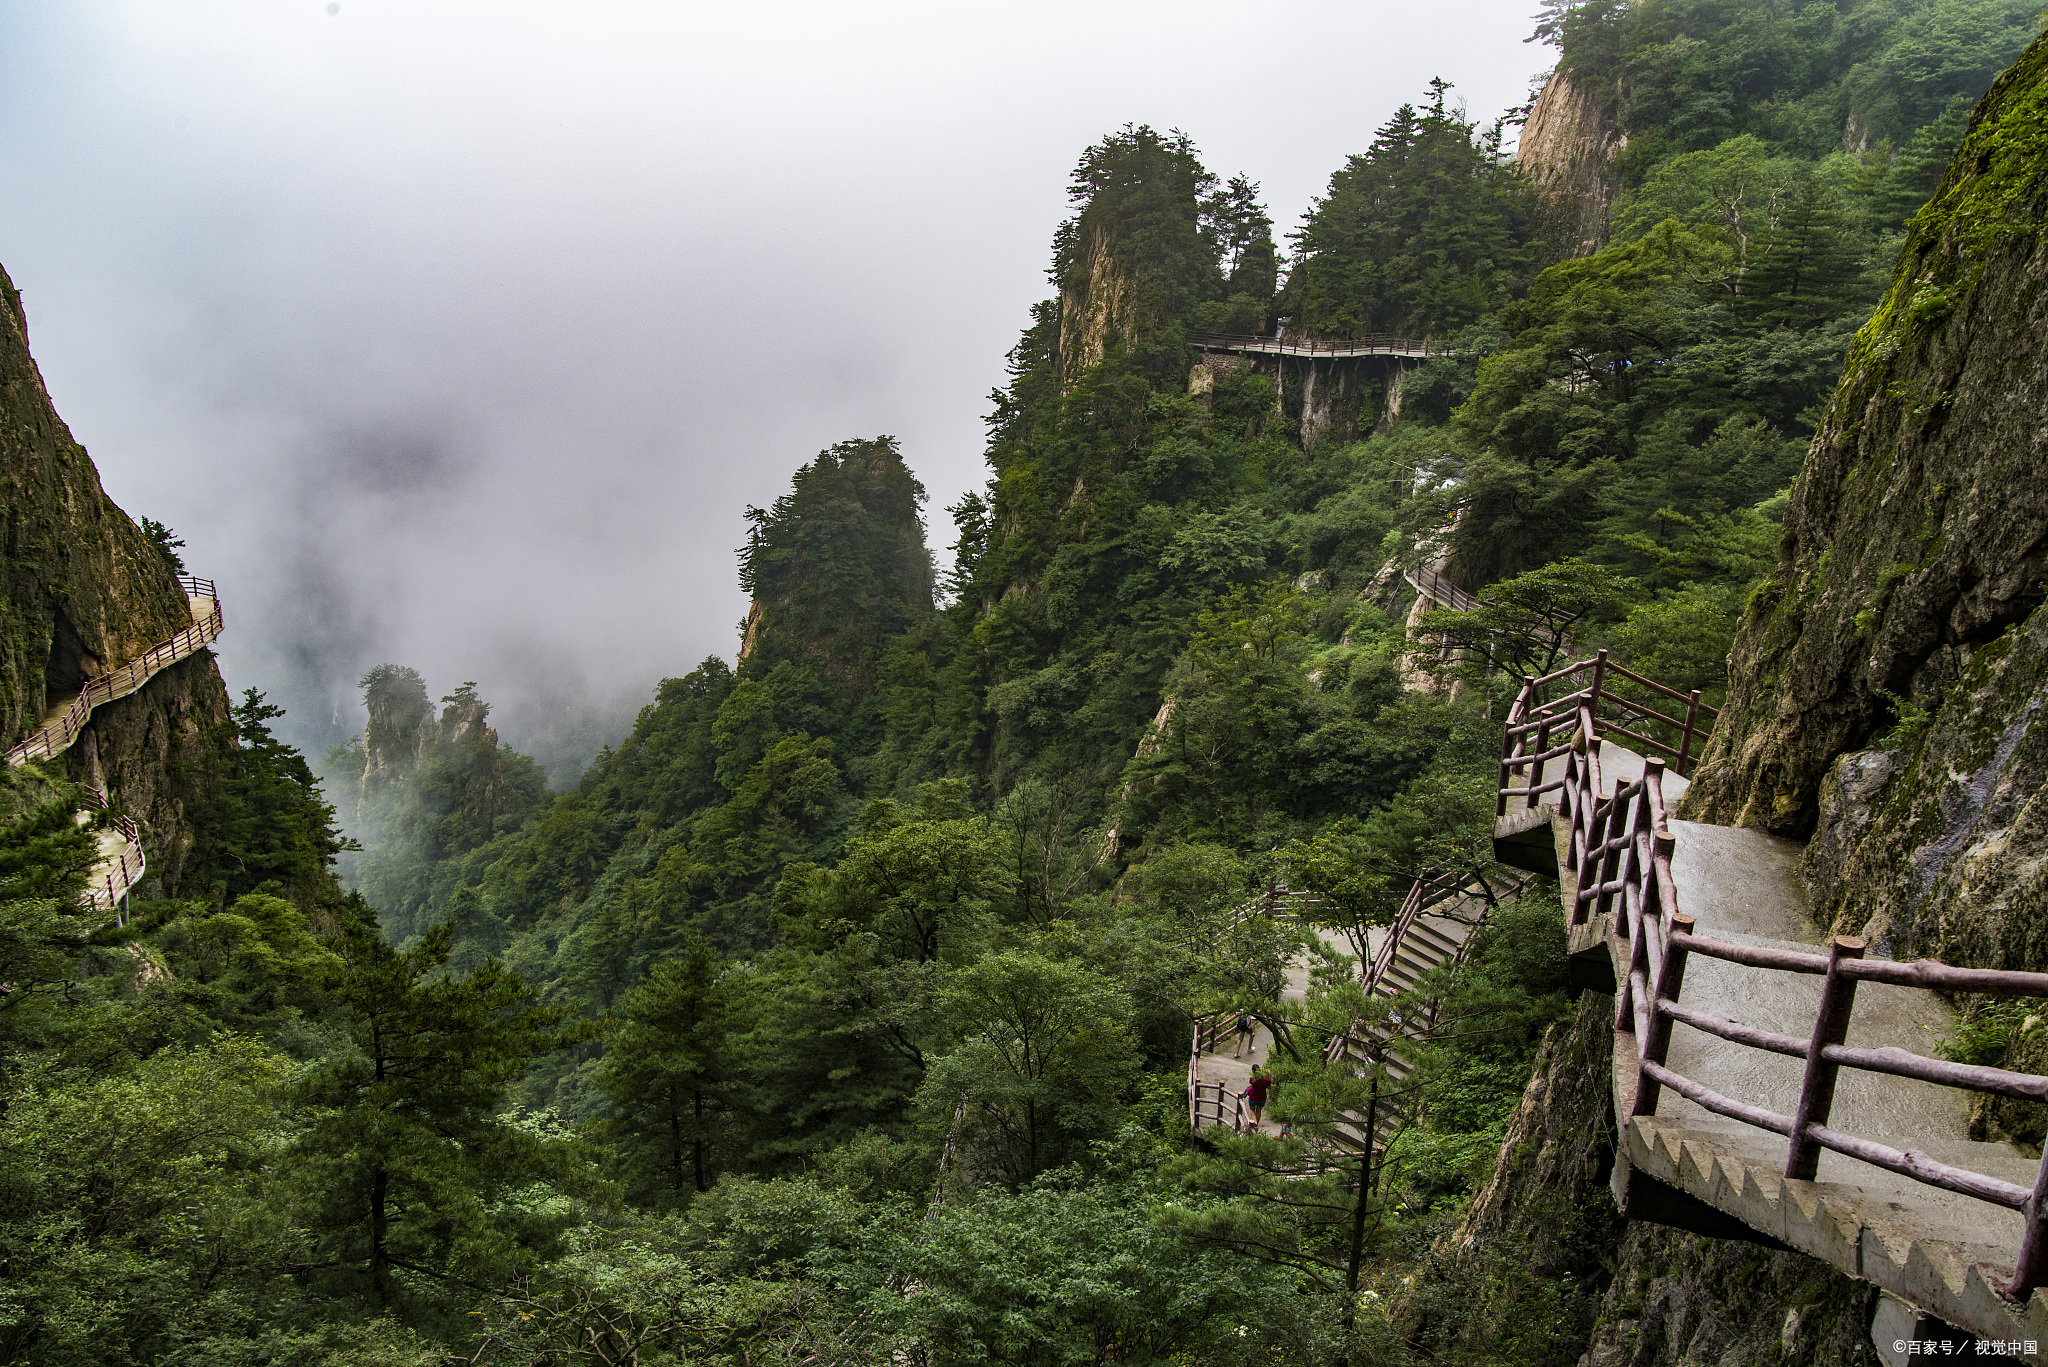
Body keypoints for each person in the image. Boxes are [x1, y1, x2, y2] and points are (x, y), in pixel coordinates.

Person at [1243, 1065, 1273, 1129]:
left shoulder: (1252, 1078)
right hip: (1262, 1098)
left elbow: (1251, 1083)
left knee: (1251, 1109)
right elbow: (1269, 1086)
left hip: (1253, 1097)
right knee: (1258, 1111)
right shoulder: (1265, 1079)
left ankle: (1255, 1123)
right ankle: (1256, 1125)